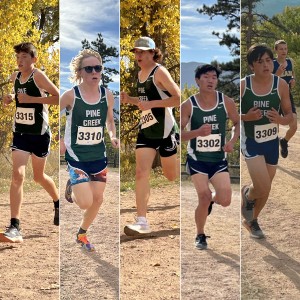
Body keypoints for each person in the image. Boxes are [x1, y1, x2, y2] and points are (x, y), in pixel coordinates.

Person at [0, 42, 59, 243]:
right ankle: (15, 225)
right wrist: (9, 97)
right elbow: (16, 96)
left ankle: (57, 201)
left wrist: (31, 99)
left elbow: (58, 97)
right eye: (18, 58)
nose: (20, 61)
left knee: (39, 176)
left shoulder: (38, 76)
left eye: (24, 57)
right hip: (21, 133)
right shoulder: (15, 77)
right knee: (17, 175)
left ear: (34, 59)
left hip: (40, 134)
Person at [120, 37, 180, 236]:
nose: (138, 55)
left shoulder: (159, 71)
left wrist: (151, 105)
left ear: (153, 52)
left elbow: (178, 98)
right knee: (141, 172)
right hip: (147, 129)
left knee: (171, 176)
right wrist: (130, 100)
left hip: (165, 130)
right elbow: (146, 100)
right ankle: (142, 221)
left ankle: (198, 179)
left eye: (142, 52)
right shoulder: (140, 74)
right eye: (136, 52)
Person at [60, 49, 119, 251]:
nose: (95, 72)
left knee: (98, 199)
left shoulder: (107, 95)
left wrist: (112, 136)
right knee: (85, 202)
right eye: (89, 68)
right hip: (76, 156)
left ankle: (82, 233)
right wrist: (58, 139)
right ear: (80, 72)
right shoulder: (71, 96)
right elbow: (50, 113)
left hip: (98, 155)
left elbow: (110, 121)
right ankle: (73, 185)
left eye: (98, 68)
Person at [181, 64, 240, 250]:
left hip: (218, 160)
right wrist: (197, 132)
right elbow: (178, 135)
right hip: (197, 159)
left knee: (226, 200)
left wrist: (232, 142)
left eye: (214, 77)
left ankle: (213, 200)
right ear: (198, 80)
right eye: (206, 77)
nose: (210, 80)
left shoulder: (226, 102)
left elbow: (237, 123)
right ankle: (200, 234)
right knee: (204, 197)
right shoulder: (188, 105)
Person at [241, 44, 292, 239]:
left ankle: (252, 221)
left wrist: (280, 120)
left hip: (271, 142)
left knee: (266, 188)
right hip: (252, 142)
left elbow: (289, 116)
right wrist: (246, 117)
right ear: (252, 66)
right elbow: (229, 114)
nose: (265, 64)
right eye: (260, 61)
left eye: (268, 60)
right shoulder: (243, 85)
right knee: (262, 187)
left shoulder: (281, 85)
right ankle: (247, 194)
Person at [273, 40, 297, 158]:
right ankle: (272, 149)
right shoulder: (271, 64)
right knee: (274, 127)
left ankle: (284, 141)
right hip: (274, 97)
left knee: (294, 126)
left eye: (285, 49)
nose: (284, 51)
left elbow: (293, 75)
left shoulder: (290, 61)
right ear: (276, 50)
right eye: (281, 49)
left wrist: (293, 81)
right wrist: (277, 74)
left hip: (287, 96)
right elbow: (267, 81)